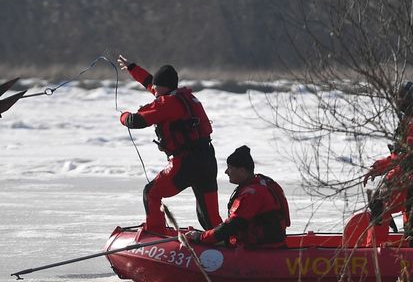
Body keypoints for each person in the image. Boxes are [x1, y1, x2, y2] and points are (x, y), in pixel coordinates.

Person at [117, 55, 222, 235]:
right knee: (210, 218)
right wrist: (132, 68)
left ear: (164, 87)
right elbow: (151, 83)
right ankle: (224, 243)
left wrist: (123, 116)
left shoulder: (167, 103)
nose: (153, 92)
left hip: (186, 164)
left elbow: (136, 121)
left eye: (156, 89)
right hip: (207, 161)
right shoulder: (184, 98)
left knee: (151, 193)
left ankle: (155, 232)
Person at [362, 82, 413, 247]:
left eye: (401, 98)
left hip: (410, 176)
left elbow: (405, 157)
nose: (398, 102)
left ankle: (375, 249)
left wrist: (380, 169)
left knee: (379, 203)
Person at [187, 146, 290, 247]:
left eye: (230, 168)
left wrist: (201, 237)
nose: (226, 172)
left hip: (262, 247)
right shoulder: (260, 185)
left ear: (242, 171)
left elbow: (232, 225)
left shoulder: (253, 194)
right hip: (266, 244)